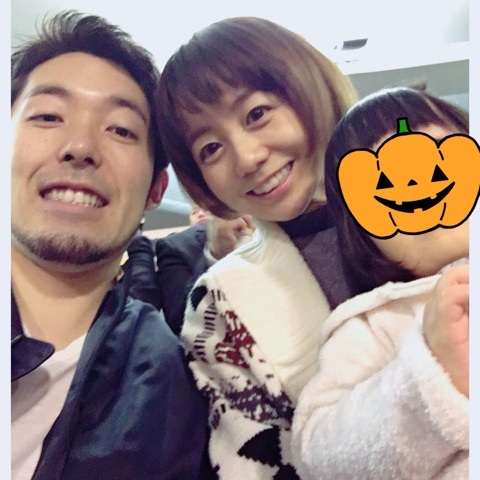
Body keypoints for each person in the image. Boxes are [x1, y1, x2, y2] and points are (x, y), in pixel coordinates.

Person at [11, 11, 211, 479]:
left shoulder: (168, 391)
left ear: (155, 189)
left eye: (121, 129)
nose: (80, 147)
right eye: (48, 117)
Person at [157, 16, 357, 478]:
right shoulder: (219, 308)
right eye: (210, 148)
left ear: (310, 88)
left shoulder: (439, 197)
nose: (247, 158)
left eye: (257, 113)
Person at [291, 88, 470, 479]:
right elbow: (318, 456)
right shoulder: (373, 322)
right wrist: (432, 374)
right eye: (382, 186)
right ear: (361, 234)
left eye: (437, 164)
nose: (415, 184)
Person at [155, 205, 255, 334]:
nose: (201, 214)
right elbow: (178, 322)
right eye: (195, 212)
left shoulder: (274, 228)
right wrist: (217, 257)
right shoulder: (176, 246)